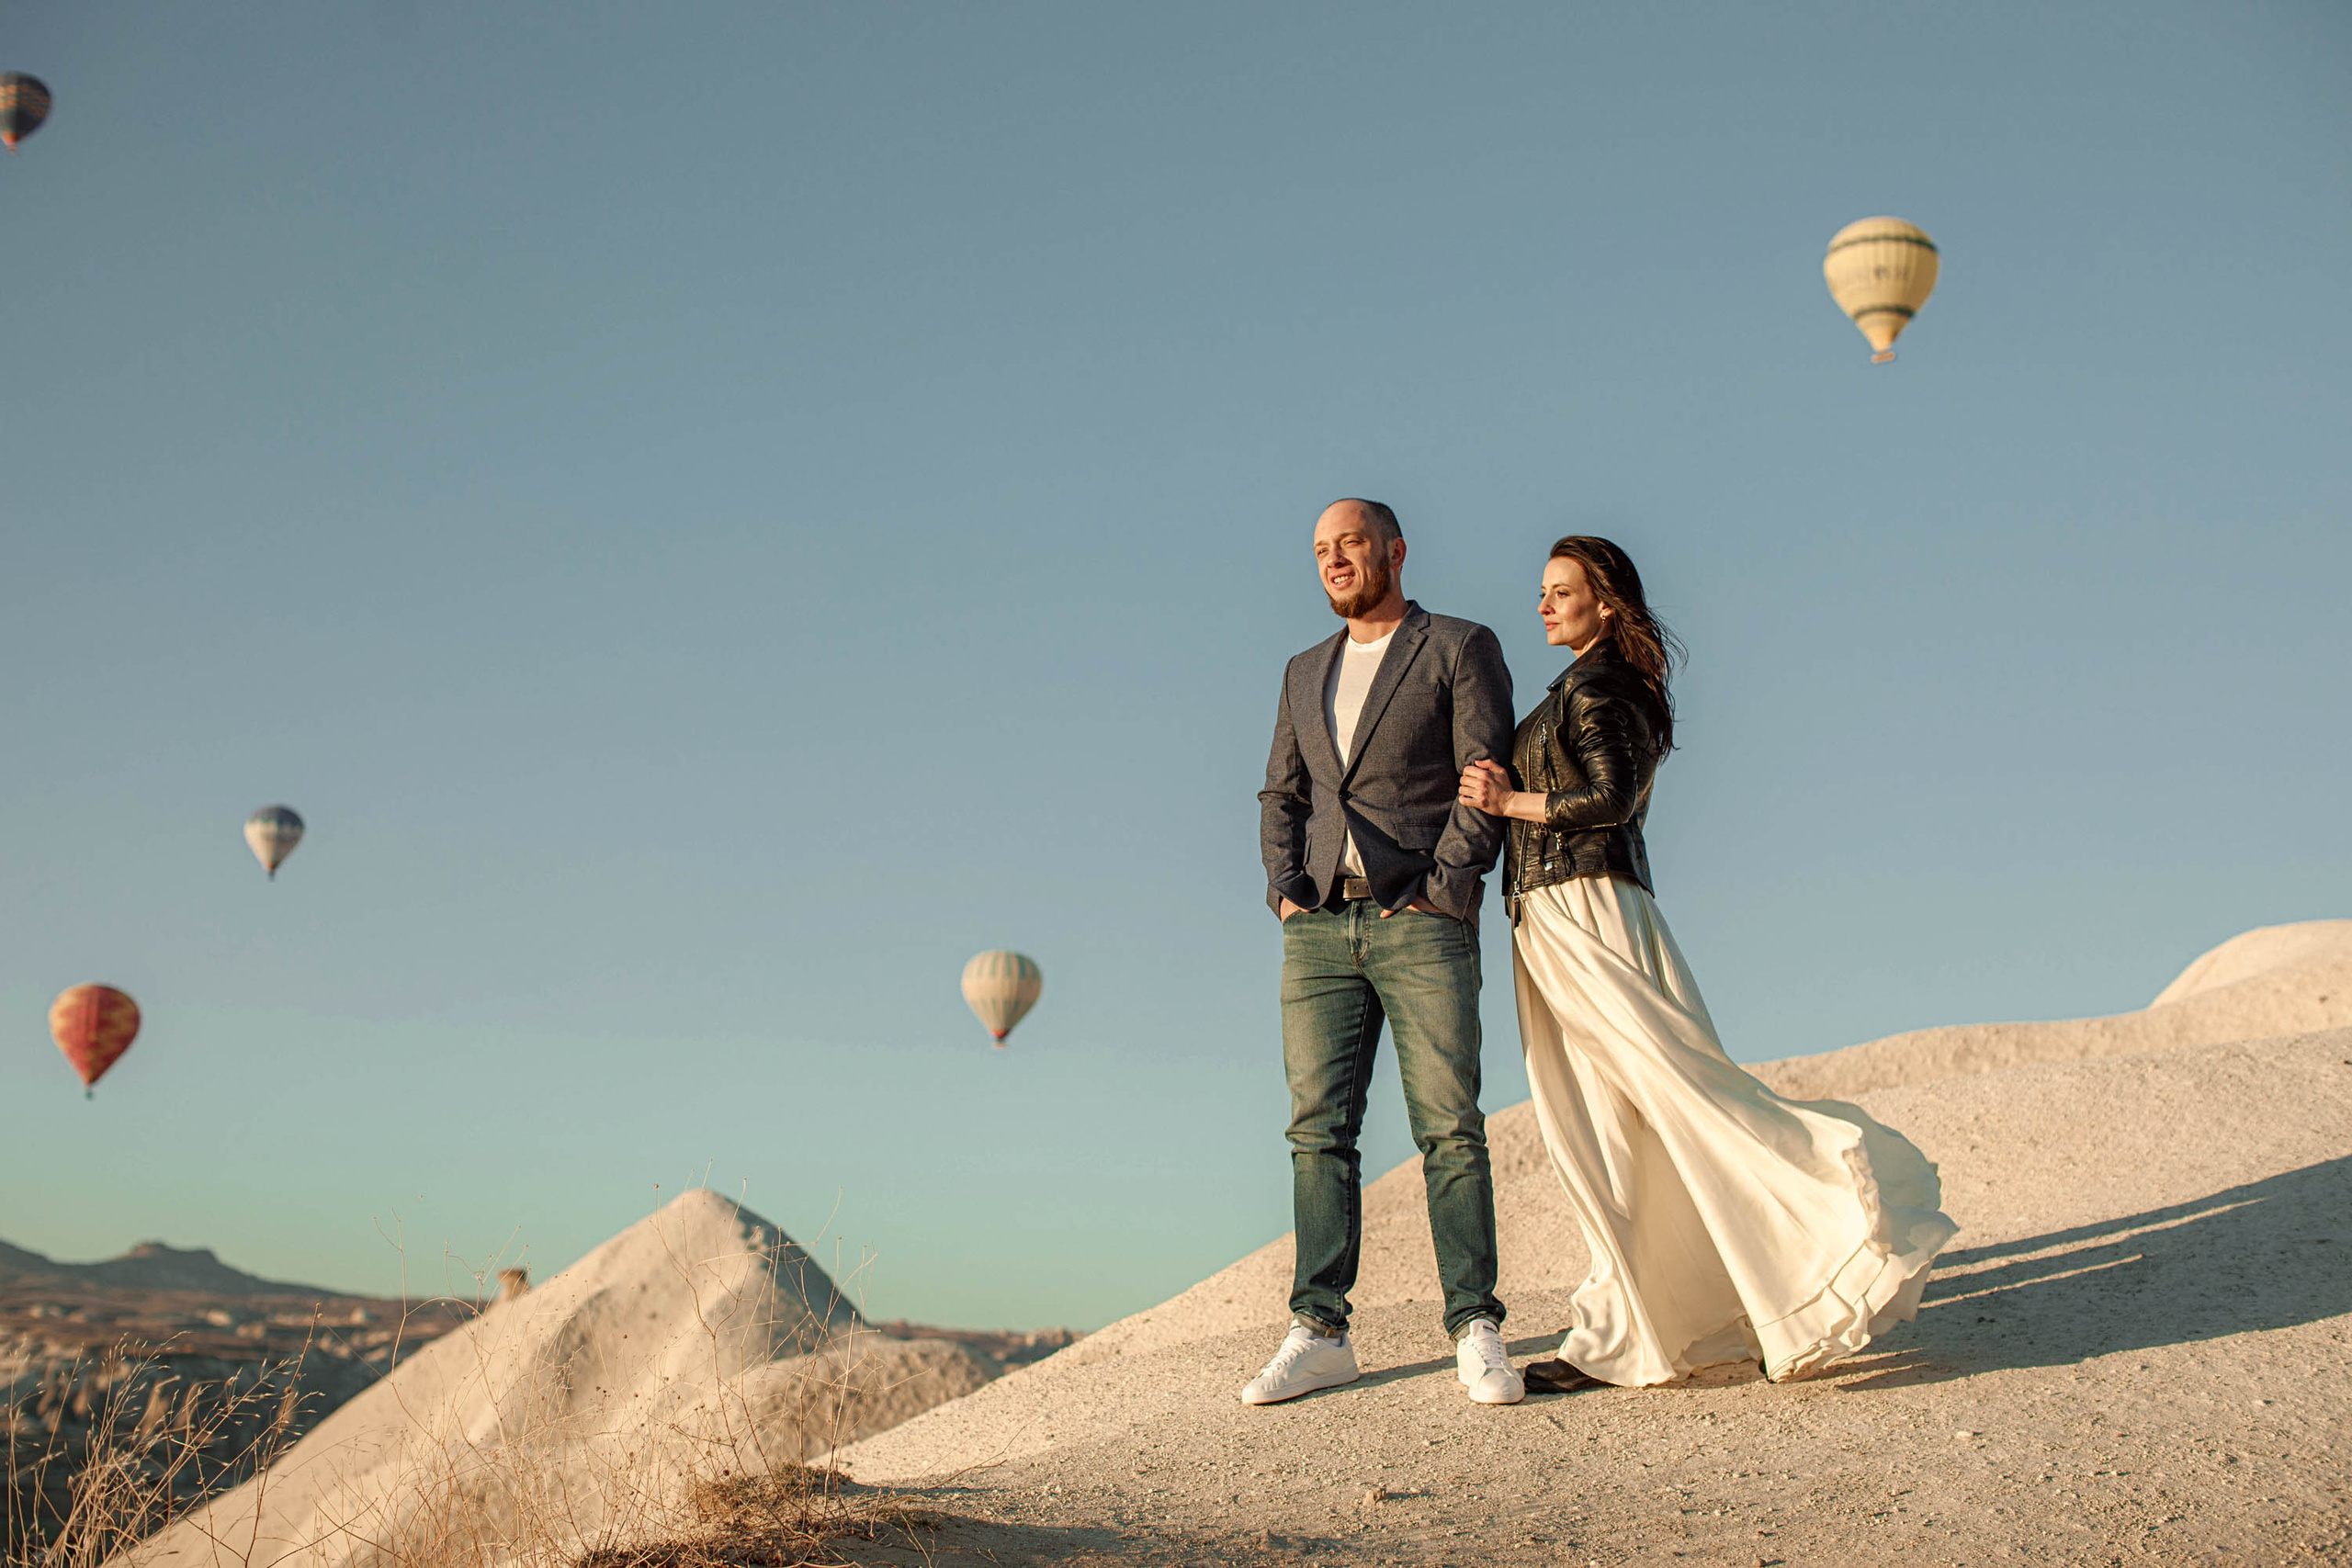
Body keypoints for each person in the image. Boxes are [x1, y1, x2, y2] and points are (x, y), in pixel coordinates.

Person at [1456, 536, 1957, 1389]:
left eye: (1560, 591)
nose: (1542, 604)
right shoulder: (1590, 680)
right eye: (1541, 591)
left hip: (1586, 910)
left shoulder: (1598, 683)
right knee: (1605, 1128)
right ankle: (1631, 1332)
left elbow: (1609, 798)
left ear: (1605, 601)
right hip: (1556, 912)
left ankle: (1828, 1232)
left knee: (1671, 1102)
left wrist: (1510, 802)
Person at [1245, 498, 1524, 1408]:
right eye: (1320, 550)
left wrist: (1446, 886)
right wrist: (1286, 891)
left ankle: (1474, 1325)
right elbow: (1280, 792)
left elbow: (1485, 773)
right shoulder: (1300, 671)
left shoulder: (1456, 645)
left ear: (1394, 551)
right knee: (1316, 1131)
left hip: (1420, 919)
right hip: (1320, 928)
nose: (1334, 561)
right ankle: (1320, 1331)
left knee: (1448, 1122)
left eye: (1350, 544)